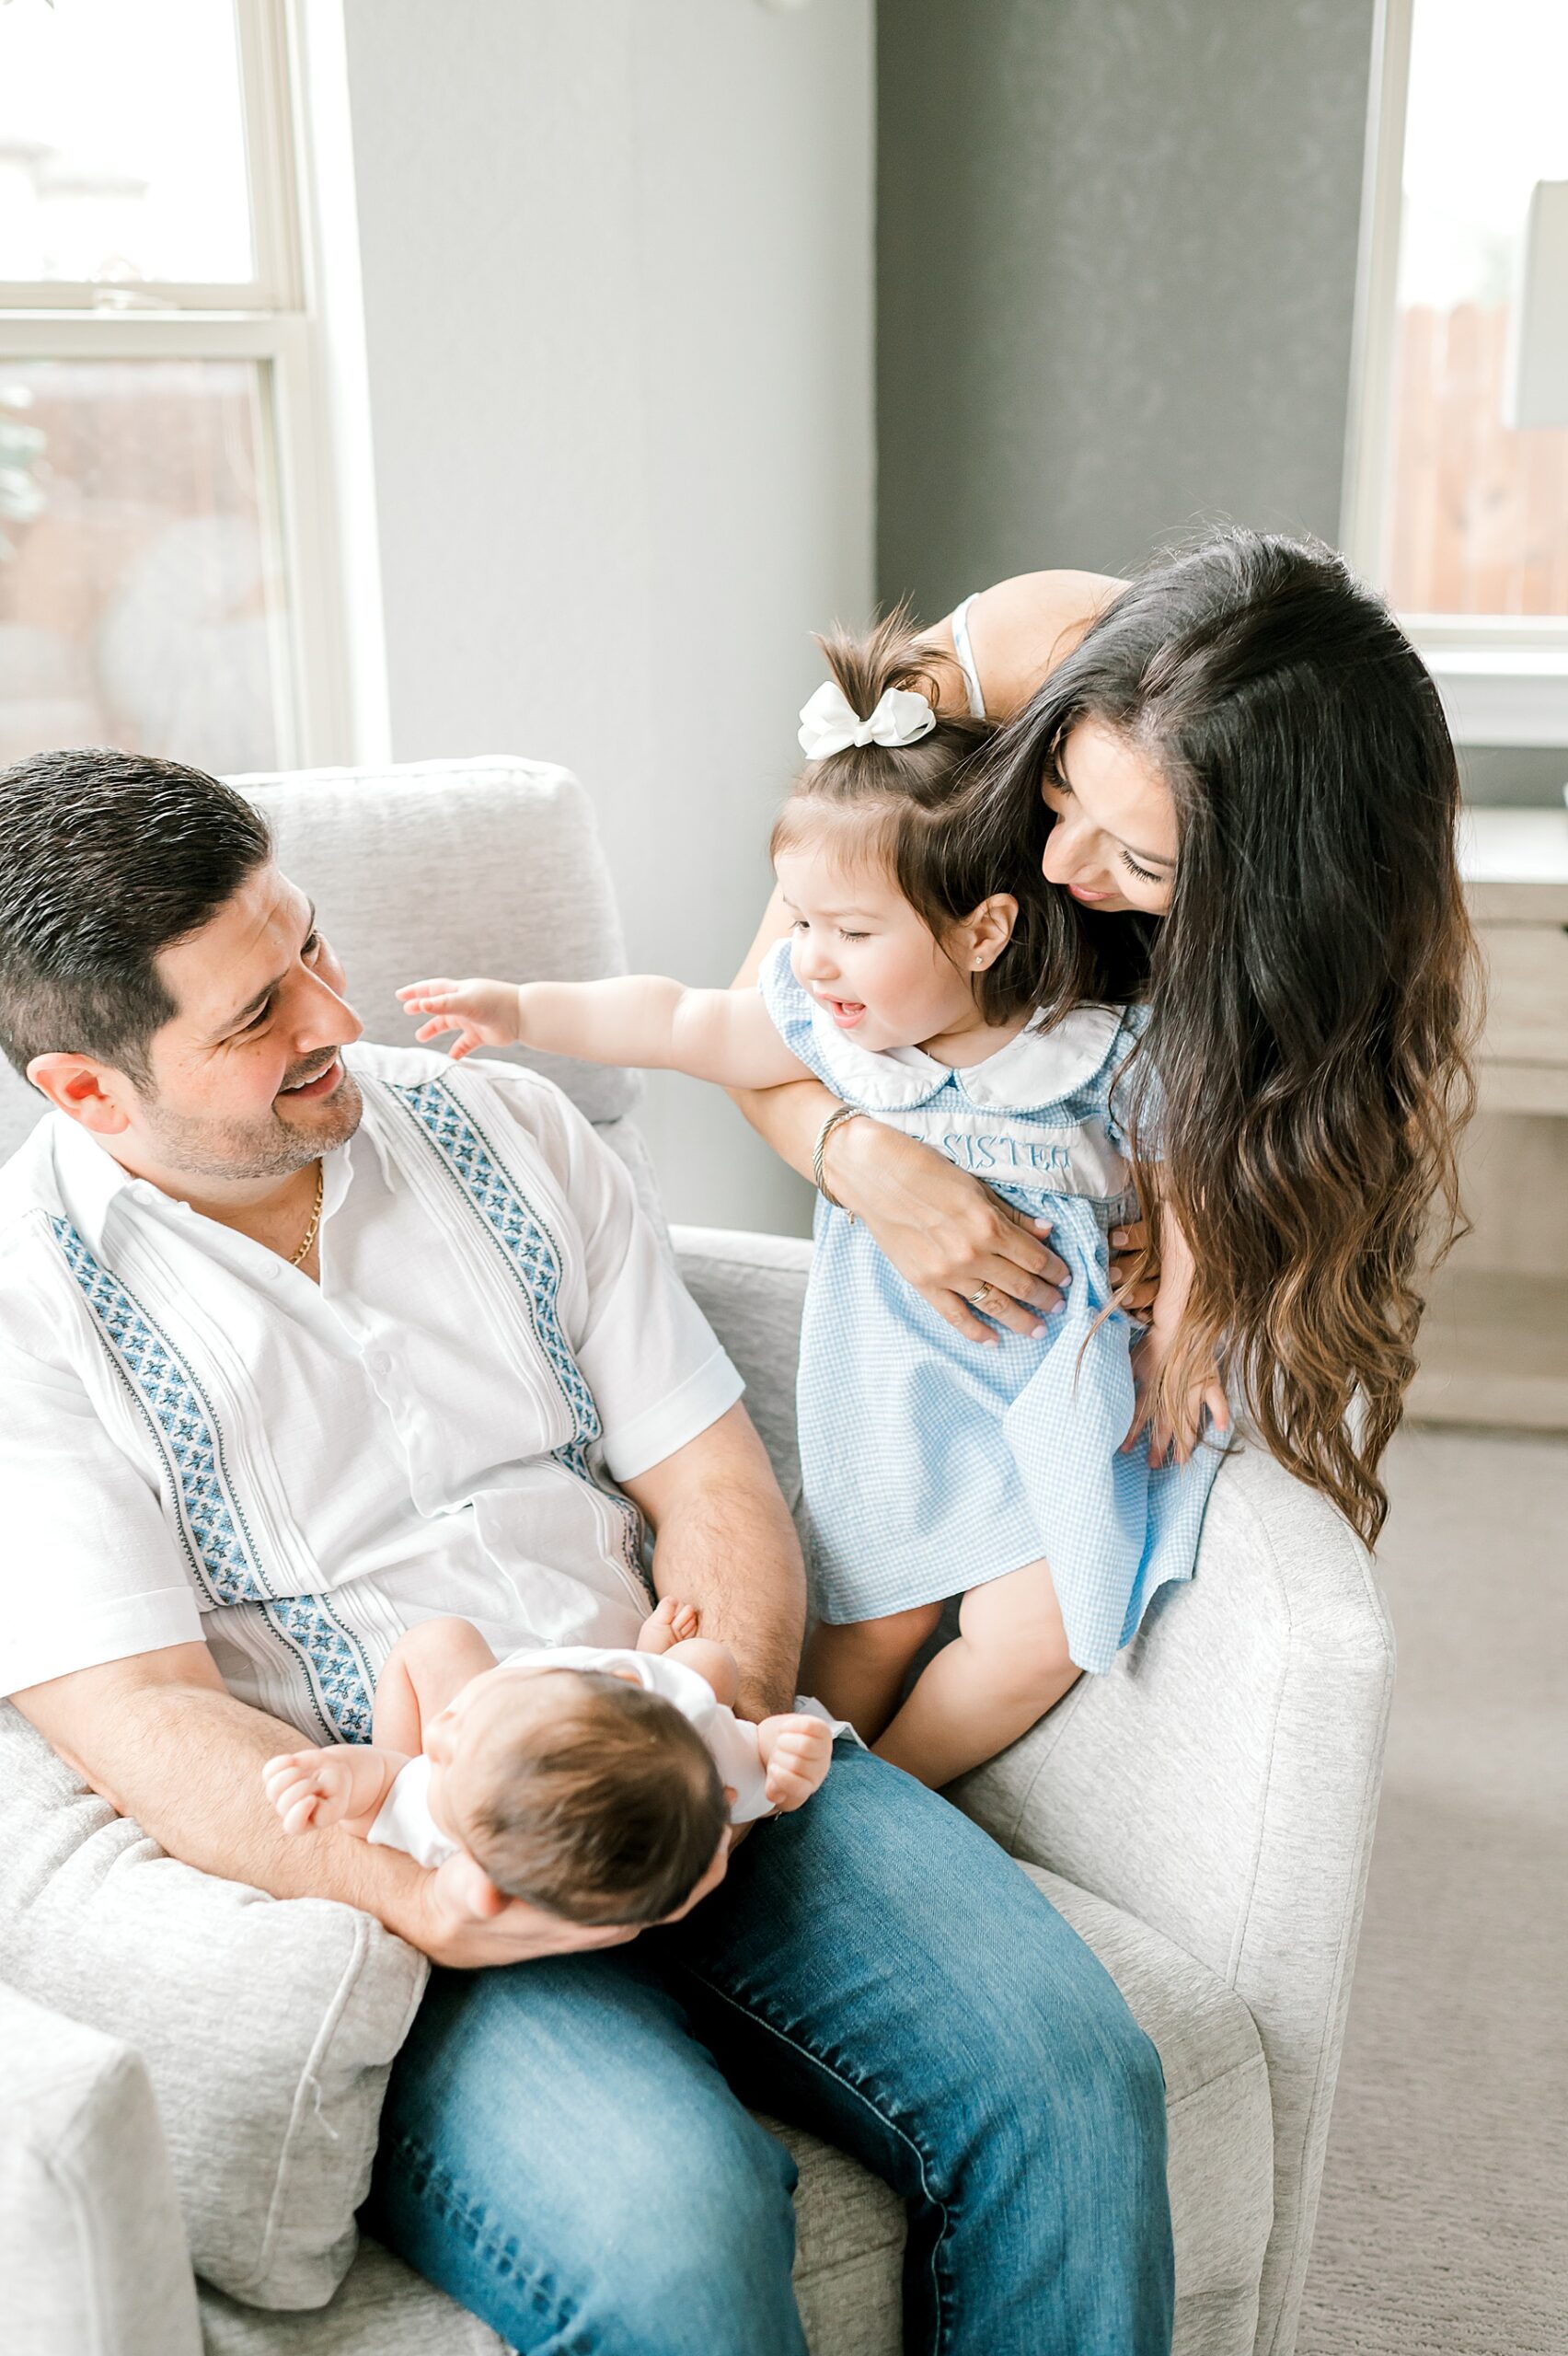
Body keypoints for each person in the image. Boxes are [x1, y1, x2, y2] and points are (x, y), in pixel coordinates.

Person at [0, 746, 1173, 2356]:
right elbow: (136, 1712)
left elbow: (711, 1484)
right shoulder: (28, 1314)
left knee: (1070, 2074)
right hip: (428, 1859)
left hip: (694, 1741)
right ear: (86, 1091)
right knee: (670, 2224)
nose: (336, 1016)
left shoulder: (506, 1125)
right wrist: (421, 1897)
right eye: (255, 1016)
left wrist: (711, 1692)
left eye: (312, 950)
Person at [400, 615, 1228, 1790]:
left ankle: (882, 1787)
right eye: (798, 926)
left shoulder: (1092, 1053)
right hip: (898, 1380)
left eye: (848, 932)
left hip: (1059, 1381)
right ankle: (777, 1767)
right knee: (870, 1620)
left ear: (984, 930)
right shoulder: (836, 1036)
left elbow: (1194, 1168)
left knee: (1036, 1638)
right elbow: (681, 1018)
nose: (812, 962)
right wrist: (523, 1008)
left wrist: (1182, 1311)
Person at [730, 534, 1478, 1551]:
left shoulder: (1313, 952)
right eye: (1058, 787)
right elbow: (758, 1028)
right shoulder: (1012, 655)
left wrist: (1186, 1258)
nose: (1056, 857)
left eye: (1139, 860)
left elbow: (1257, 1124)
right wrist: (865, 1162)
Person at [263, 1597, 838, 1925]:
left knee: (438, 1640)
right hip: (610, 1716)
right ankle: (645, 1662)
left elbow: (385, 1796)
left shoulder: (458, 1815)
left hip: (569, 1719)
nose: (440, 1730)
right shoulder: (693, 1753)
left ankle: (638, 1666)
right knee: (710, 1665)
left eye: (450, 1737)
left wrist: (339, 1778)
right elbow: (762, 1777)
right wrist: (785, 1757)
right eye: (464, 1724)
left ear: (484, 1888)